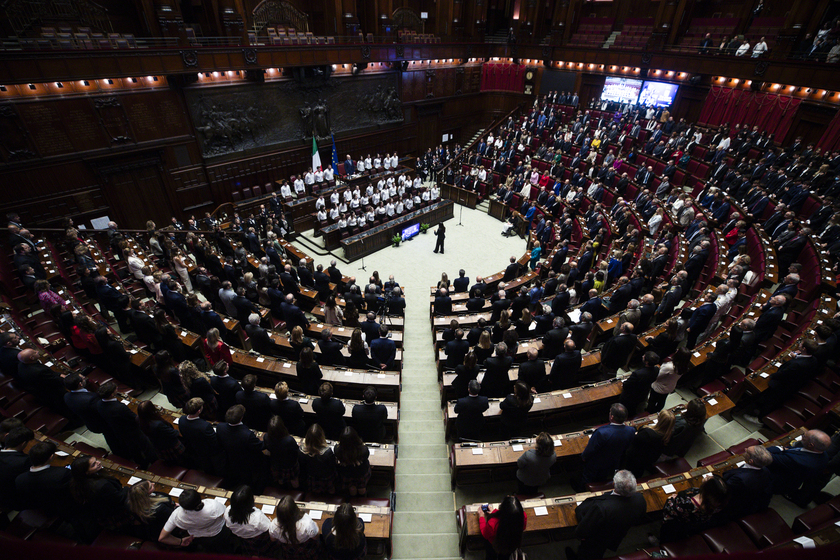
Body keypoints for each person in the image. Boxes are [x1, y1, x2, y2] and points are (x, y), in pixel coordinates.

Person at [567, 470, 646, 560]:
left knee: (587, 554)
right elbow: (640, 517)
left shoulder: (601, 507)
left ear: (613, 484)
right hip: (617, 535)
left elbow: (582, 530)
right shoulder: (640, 499)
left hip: (596, 540)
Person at [96, 381, 157, 468]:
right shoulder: (119, 408)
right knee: (146, 446)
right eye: (115, 389)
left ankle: (141, 464)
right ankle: (154, 462)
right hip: (132, 431)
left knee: (133, 450)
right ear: (111, 394)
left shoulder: (99, 404)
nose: (117, 389)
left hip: (118, 431)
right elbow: (134, 417)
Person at [69, 454, 132, 535]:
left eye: (96, 460)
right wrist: (128, 488)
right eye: (93, 465)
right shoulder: (102, 485)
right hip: (115, 515)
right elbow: (119, 498)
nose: (98, 463)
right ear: (87, 472)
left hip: (100, 513)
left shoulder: (77, 482)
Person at [159, 488, 235, 553]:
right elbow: (225, 510)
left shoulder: (176, 516)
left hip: (201, 539)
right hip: (221, 532)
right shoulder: (212, 506)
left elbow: (162, 538)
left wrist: (180, 542)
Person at [659, 475, 729, 543]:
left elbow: (669, 508)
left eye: (710, 479)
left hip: (674, 526)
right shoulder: (718, 502)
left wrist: (671, 498)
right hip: (691, 526)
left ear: (708, 489)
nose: (707, 475)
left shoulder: (687, 505)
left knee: (667, 536)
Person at [579, 403, 635, 487]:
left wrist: (584, 457)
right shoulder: (631, 430)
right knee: (603, 476)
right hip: (614, 460)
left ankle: (582, 488)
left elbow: (591, 449)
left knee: (588, 477)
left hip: (596, 462)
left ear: (611, 417)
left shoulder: (602, 432)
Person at [216, 404, 267, 490]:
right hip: (246, 462)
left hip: (229, 459)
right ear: (241, 418)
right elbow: (260, 446)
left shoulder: (220, 427)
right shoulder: (247, 435)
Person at [720, 445, 774, 521]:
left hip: (733, 507)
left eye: (747, 451)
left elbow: (724, 490)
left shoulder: (740, 479)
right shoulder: (765, 470)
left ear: (751, 461)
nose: (745, 449)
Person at [178, 397, 226, 476]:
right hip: (210, 451)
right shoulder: (205, 426)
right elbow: (214, 443)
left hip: (195, 448)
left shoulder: (182, 420)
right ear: (199, 411)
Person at [623, 410, 675, 477]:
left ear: (660, 420)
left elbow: (634, 442)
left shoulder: (647, 433)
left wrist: (636, 434)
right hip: (651, 458)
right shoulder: (669, 434)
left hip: (636, 457)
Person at [224, 485, 273, 556]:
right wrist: (270, 521)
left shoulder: (227, 512)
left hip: (244, 538)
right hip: (259, 539)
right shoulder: (257, 517)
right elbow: (268, 528)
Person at [137, 400, 187, 465]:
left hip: (159, 447)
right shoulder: (158, 425)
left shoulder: (139, 420)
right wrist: (177, 431)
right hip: (171, 446)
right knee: (182, 460)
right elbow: (173, 433)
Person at [479, 495, 526, 560]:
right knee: (505, 557)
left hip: (493, 545)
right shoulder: (522, 517)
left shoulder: (492, 523)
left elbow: (485, 533)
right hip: (512, 544)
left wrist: (481, 517)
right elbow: (522, 527)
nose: (508, 495)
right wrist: (494, 511)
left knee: (491, 556)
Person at [647, 347, 690, 413]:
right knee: (662, 400)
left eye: (677, 351)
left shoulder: (669, 367)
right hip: (670, 386)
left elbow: (657, 376)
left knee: (652, 400)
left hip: (659, 387)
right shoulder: (684, 367)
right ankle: (657, 411)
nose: (676, 350)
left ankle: (649, 412)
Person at [299, 423, 338, 495]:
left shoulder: (302, 451)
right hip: (327, 479)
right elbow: (333, 467)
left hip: (311, 478)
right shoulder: (327, 452)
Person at [334, 427, 371, 496]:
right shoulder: (363, 450)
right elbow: (366, 459)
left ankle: (352, 499)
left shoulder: (337, 450)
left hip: (346, 474)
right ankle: (362, 498)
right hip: (360, 473)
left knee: (351, 489)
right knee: (362, 489)